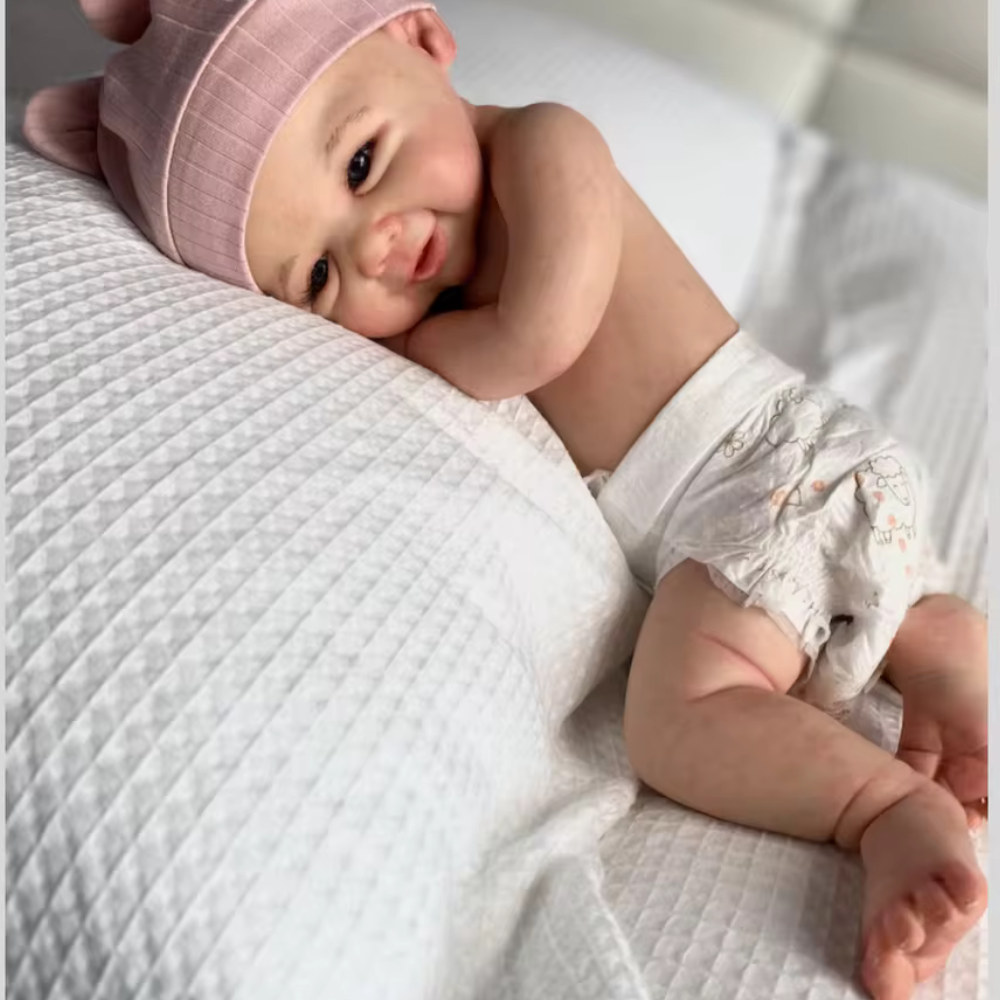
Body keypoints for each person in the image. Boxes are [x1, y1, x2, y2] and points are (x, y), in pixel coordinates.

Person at [25, 3, 987, 998]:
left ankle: (882, 809)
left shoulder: (544, 143)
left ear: (422, 38)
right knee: (805, 620)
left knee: (678, 719)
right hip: (792, 498)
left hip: (764, 475)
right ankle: (927, 635)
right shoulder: (445, 258)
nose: (375, 245)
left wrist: (421, 346)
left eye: (362, 164)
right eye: (316, 273)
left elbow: (544, 332)